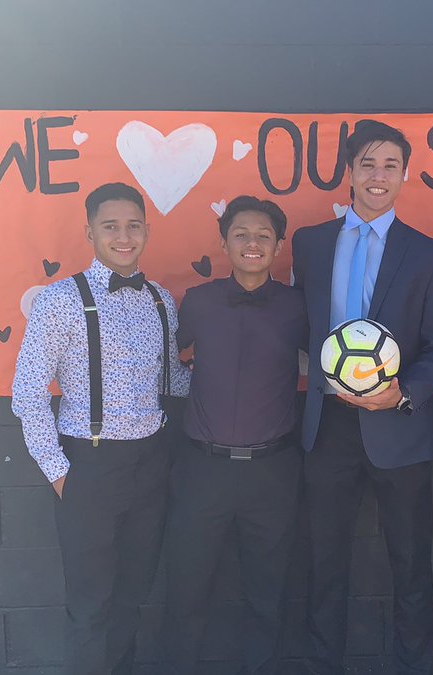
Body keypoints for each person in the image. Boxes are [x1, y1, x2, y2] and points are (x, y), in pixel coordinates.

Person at [291, 120, 433, 675]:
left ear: (405, 175)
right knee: (323, 565)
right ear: (349, 173)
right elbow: (298, 327)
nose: (378, 176)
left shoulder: (428, 254)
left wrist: (402, 395)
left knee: (410, 568)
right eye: (368, 164)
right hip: (328, 429)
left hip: (400, 432)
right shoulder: (310, 245)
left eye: (390, 166)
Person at [12, 182, 189, 675]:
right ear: (89, 232)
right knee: (90, 605)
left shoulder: (161, 300)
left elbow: (175, 379)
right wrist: (58, 471)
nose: (124, 236)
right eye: (110, 226)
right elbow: (27, 392)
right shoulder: (59, 301)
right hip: (87, 465)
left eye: (133, 225)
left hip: (151, 465)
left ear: (147, 231)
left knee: (132, 597)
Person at [161, 196, 308, 675]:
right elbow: (158, 362)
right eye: (241, 234)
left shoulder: (297, 306)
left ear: (279, 246)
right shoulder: (198, 302)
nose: (252, 243)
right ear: (224, 242)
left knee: (267, 593)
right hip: (202, 470)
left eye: (264, 236)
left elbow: (339, 363)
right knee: (186, 589)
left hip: (273, 471)